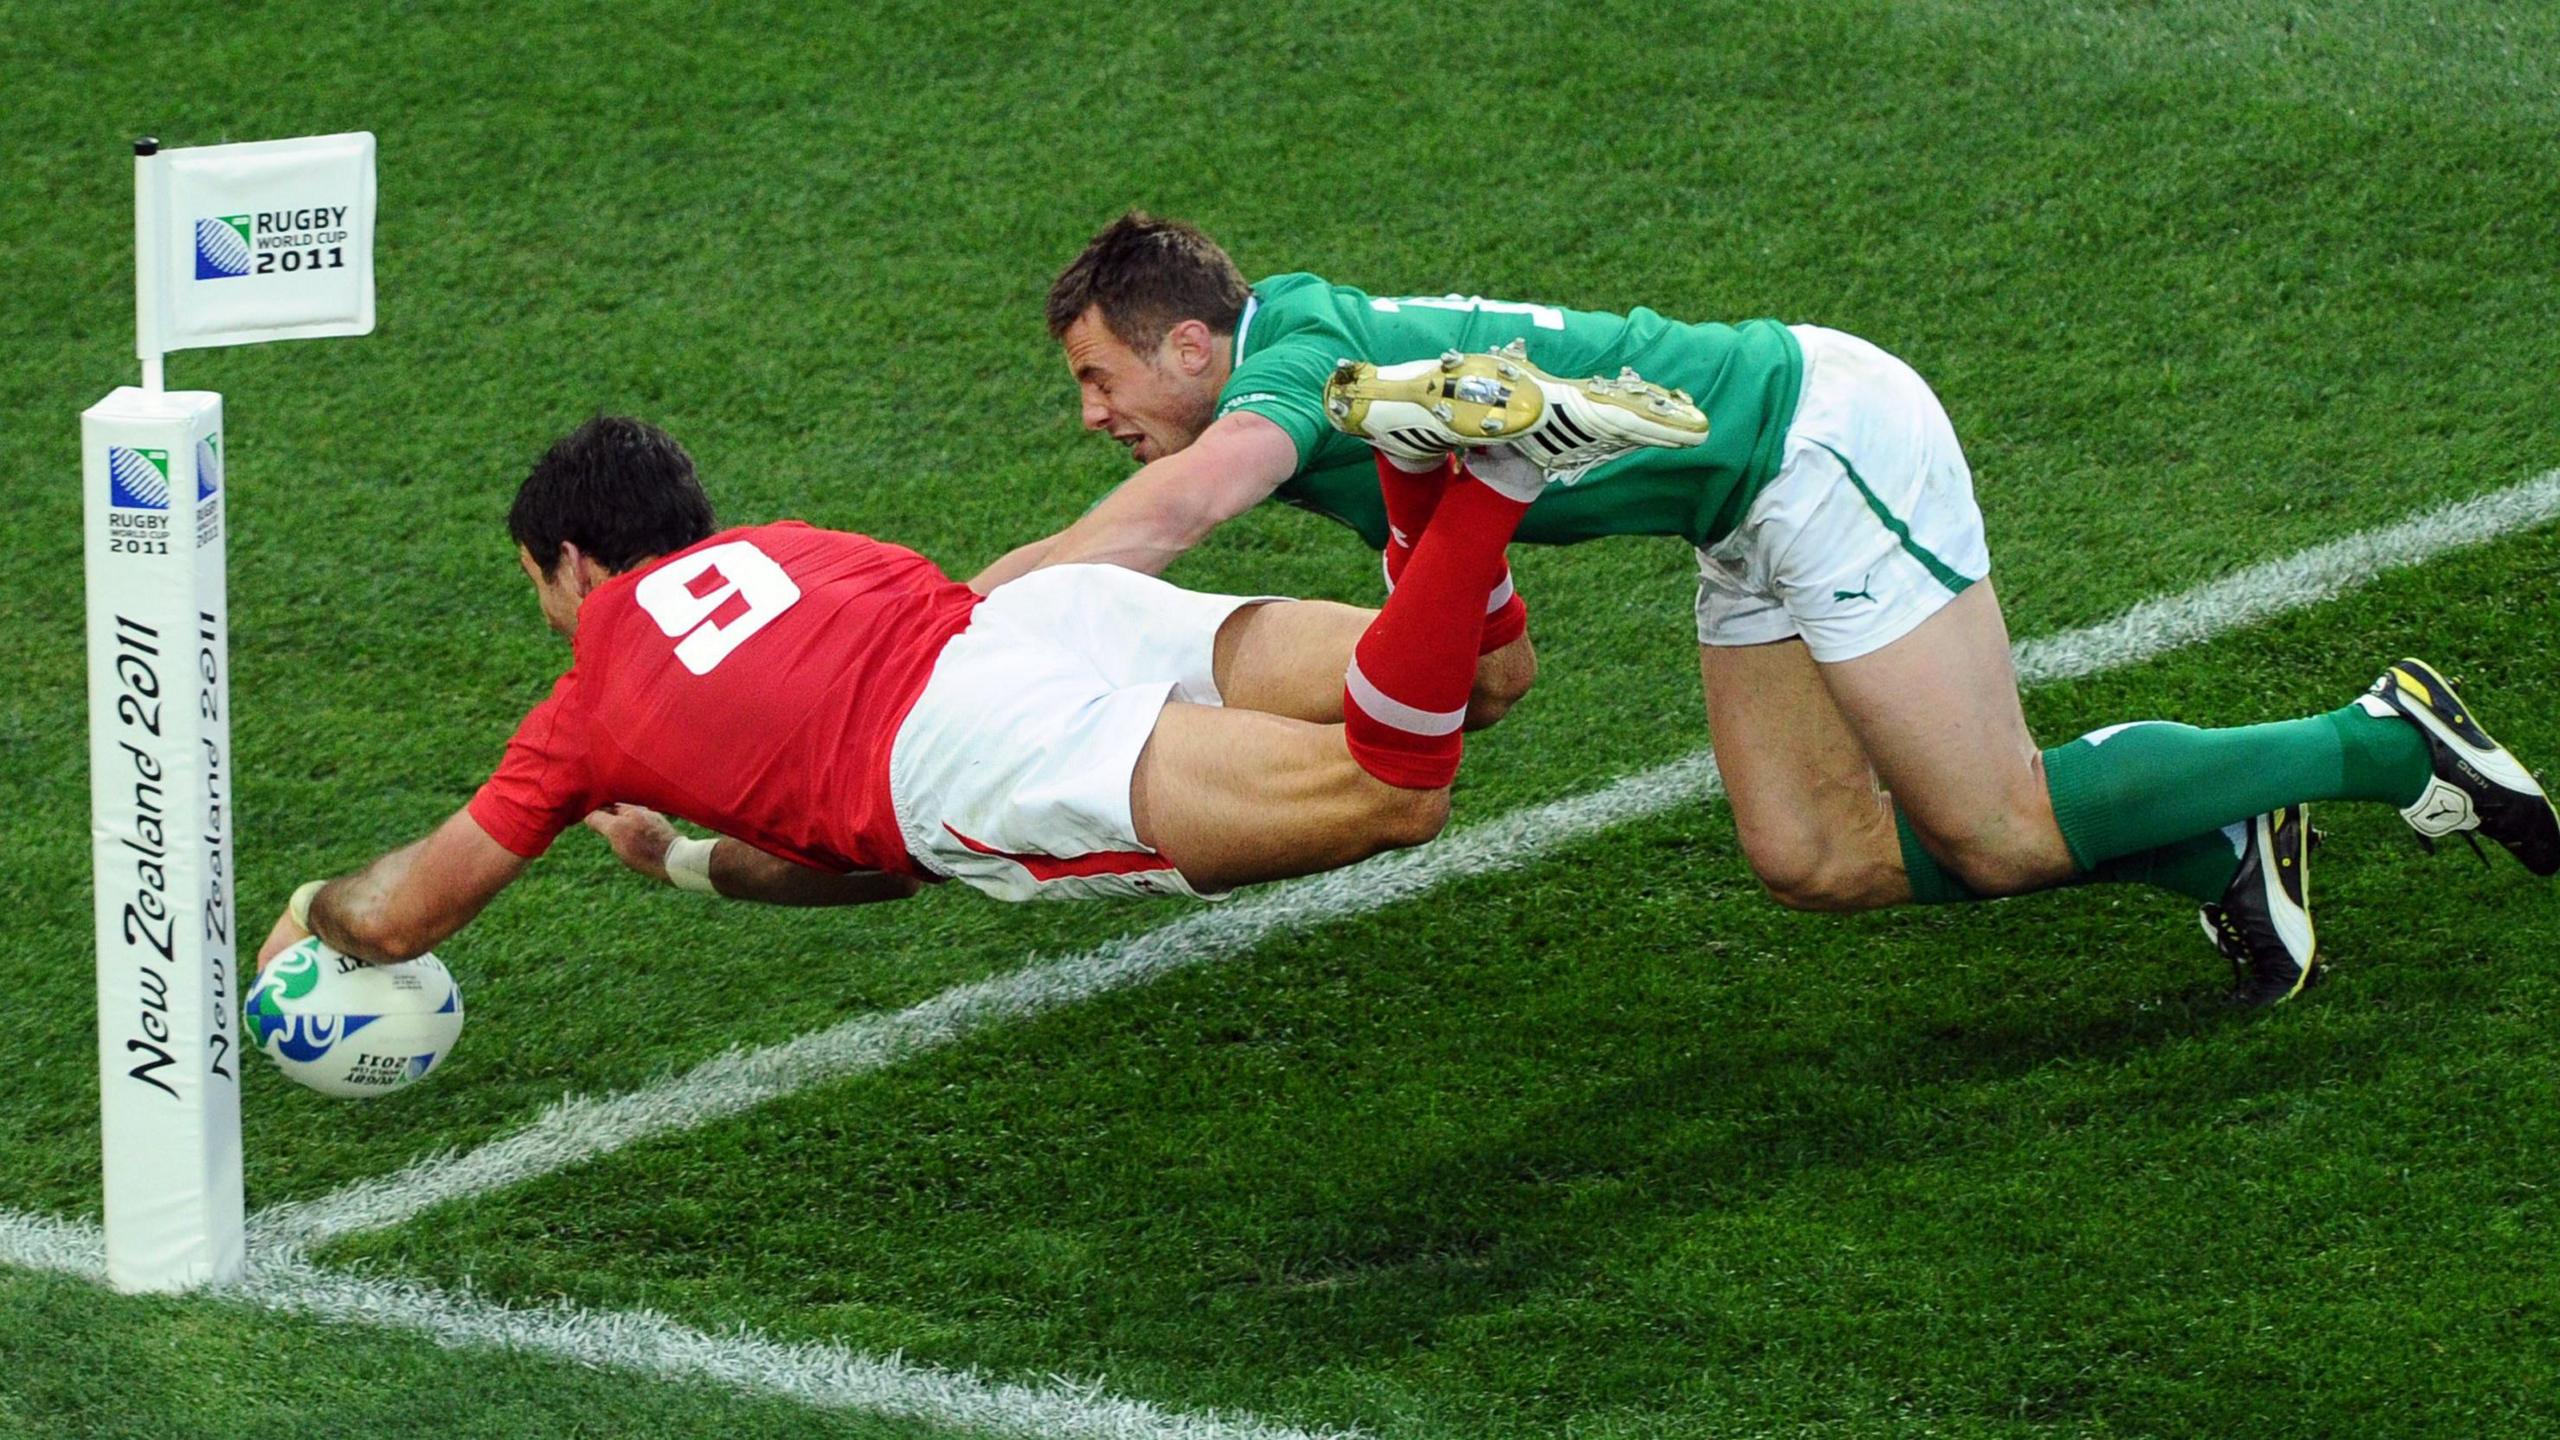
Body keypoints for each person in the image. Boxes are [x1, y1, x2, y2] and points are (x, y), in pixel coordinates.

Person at [970, 211, 2560, 1004]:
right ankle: (2212, 840)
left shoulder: (1295, 365)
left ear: (1189, 347)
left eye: (1099, 379)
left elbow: (1178, 510)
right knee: (1813, 856)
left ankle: (2370, 739)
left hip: (1818, 440)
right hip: (1735, 512)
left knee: (1994, 821)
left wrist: (956, 620)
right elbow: (1502, 668)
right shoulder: (1351, 421)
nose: (1096, 416)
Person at [255, 414, 1639, 968]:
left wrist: (313, 911)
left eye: (539, 586)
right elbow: (865, 869)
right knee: (1472, 674)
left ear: (569, 560)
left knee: (1390, 797)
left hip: (973, 746)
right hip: (1032, 625)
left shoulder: (584, 712)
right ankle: (1429, 462)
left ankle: (1471, 476)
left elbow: (406, 916)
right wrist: (679, 863)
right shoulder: (797, 545)